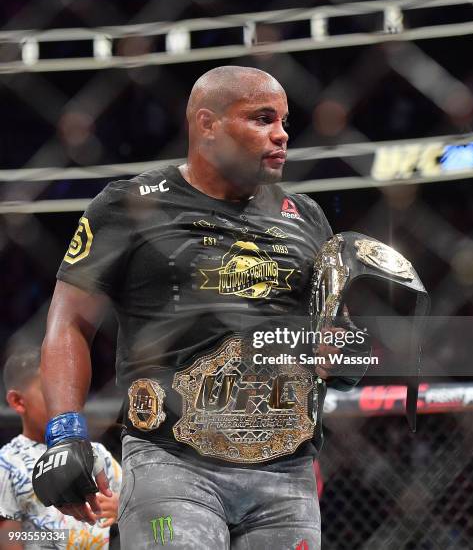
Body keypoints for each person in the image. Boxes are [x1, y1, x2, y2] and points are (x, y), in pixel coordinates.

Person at [34, 66, 368, 549]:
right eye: (261, 118)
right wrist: (65, 432)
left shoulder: (306, 216)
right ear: (208, 125)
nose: (281, 135)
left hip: (287, 474)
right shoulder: (131, 206)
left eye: (284, 121)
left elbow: (337, 334)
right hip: (172, 462)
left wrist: (345, 352)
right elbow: (69, 321)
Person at [0, 346, 121, 549]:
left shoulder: (97, 453)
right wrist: (54, 537)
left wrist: (122, 509)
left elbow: (145, 510)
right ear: (18, 401)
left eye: (69, 391)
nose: (63, 402)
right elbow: (7, 538)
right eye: (51, 393)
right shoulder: (8, 463)